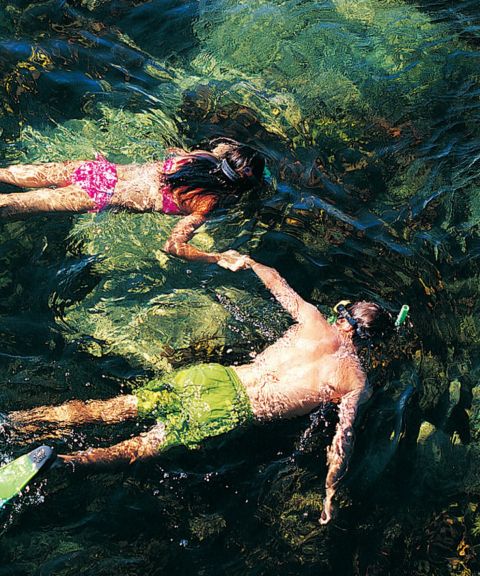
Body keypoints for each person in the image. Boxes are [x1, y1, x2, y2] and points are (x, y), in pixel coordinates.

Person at [5, 257, 395, 524]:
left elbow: (276, 278)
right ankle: (60, 463)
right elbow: (342, 436)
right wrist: (330, 489)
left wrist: (247, 261)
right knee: (140, 447)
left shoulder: (312, 319)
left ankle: (18, 421)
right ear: (369, 341)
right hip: (231, 410)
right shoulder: (355, 380)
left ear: (344, 318)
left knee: (116, 406)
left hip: (213, 377)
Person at [0, 139, 266, 266]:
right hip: (101, 195)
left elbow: (177, 152)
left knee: (10, 173)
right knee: (10, 205)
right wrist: (217, 257)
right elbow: (173, 246)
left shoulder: (198, 157)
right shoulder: (208, 202)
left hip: (101, 170)